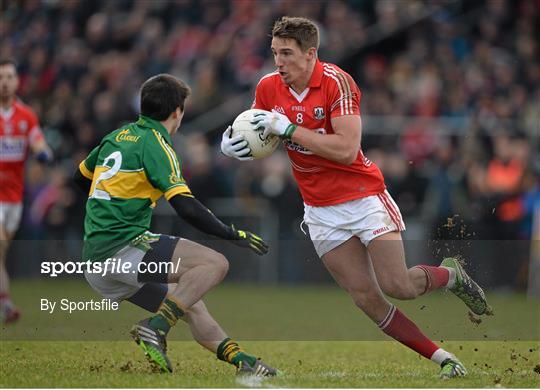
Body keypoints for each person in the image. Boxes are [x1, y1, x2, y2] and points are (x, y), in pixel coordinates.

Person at [221, 16, 491, 379]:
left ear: (310, 53)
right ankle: (443, 358)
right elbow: (261, 134)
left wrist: (288, 128)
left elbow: (347, 150)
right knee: (367, 299)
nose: (278, 62)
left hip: (362, 197)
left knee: (400, 286)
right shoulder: (269, 87)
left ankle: (451, 275)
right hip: (319, 209)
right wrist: (235, 145)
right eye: (274, 53)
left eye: (286, 53)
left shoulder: (338, 82)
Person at [73, 74, 276, 376]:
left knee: (190, 302)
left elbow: (80, 179)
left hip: (96, 265)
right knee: (214, 264)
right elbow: (187, 208)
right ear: (177, 112)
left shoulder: (116, 137)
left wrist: (113, 206)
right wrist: (232, 234)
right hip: (123, 248)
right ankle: (155, 327)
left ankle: (242, 361)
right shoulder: (156, 145)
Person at [0, 59, 53, 324]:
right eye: (1, 77)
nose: (5, 81)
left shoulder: (26, 115)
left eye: (10, 76)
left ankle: (5, 302)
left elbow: (38, 140)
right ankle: (7, 305)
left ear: (17, 81)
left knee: (2, 253)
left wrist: (43, 152)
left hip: (14, 197)